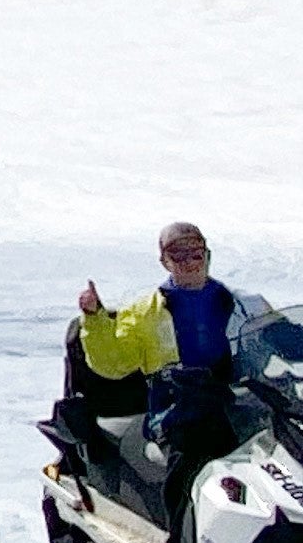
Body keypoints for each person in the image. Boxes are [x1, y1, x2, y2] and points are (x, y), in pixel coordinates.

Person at [74, 222, 242, 525]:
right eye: (179, 256)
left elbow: (285, 340)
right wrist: (95, 320)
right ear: (165, 261)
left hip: (237, 405)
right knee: (193, 466)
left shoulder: (237, 302)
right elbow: (112, 362)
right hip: (179, 411)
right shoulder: (146, 313)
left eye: (196, 254)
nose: (190, 263)